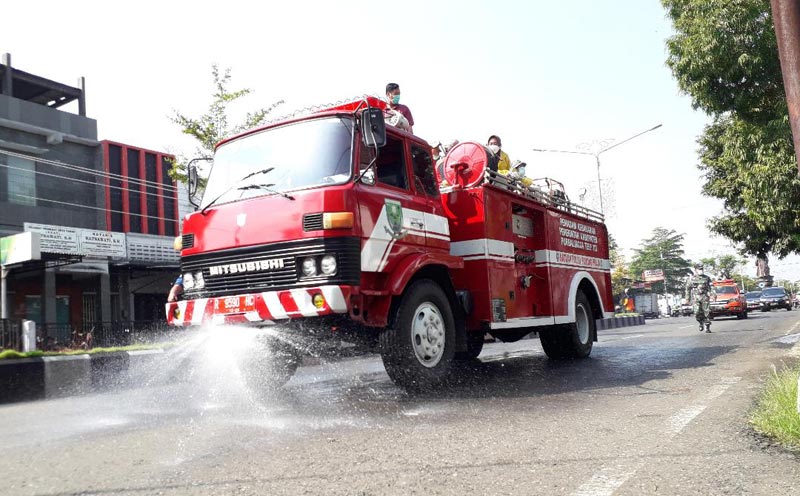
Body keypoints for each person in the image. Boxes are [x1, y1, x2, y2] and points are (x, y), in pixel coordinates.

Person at [685, 263, 713, 333]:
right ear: (695, 270)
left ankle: (707, 327)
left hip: (704, 297)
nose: (701, 270)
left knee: (707, 312)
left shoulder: (707, 278)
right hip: (695, 298)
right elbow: (687, 289)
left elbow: (711, 287)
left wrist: (713, 294)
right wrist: (687, 299)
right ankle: (701, 323)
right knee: (697, 313)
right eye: (699, 269)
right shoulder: (691, 279)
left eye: (702, 269)